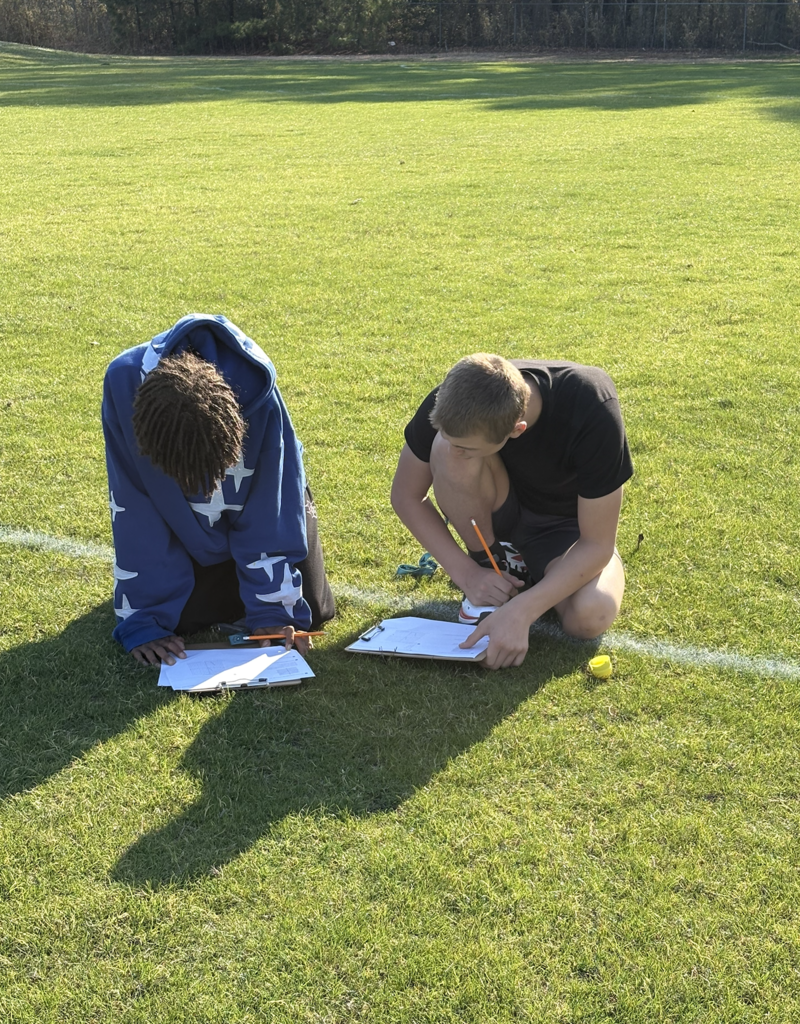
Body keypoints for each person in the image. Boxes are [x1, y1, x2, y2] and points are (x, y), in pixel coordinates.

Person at [102, 313, 335, 666]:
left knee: (311, 609)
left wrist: (273, 611)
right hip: (181, 523)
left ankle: (241, 586)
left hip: (271, 503)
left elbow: (274, 502)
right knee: (178, 620)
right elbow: (132, 504)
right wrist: (144, 618)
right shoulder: (122, 383)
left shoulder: (259, 393)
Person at [391, 354, 633, 671]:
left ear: (517, 430)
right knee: (445, 451)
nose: (456, 447)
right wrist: (467, 574)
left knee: (591, 615)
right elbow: (406, 495)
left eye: (467, 446)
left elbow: (596, 544)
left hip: (566, 534)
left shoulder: (591, 404)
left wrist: (521, 612)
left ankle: (536, 580)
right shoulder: (455, 397)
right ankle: (494, 565)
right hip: (498, 511)